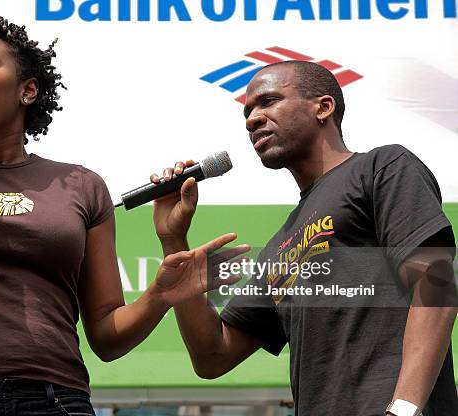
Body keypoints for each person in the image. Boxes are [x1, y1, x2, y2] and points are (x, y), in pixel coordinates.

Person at [0, 8, 246, 416]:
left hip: (57, 399)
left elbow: (106, 337)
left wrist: (159, 296)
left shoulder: (82, 186)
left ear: (27, 91)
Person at [151, 61, 457, 415]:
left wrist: (404, 409)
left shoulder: (382, 168)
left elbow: (436, 284)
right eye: (248, 112)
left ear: (323, 107)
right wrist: (174, 241)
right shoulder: (282, 244)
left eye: (268, 102)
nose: (252, 119)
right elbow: (213, 357)